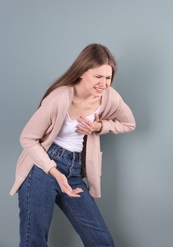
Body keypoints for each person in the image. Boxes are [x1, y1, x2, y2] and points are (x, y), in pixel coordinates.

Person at [10, 43, 136, 247]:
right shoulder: (59, 98)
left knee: (102, 241)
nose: (104, 84)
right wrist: (55, 172)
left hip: (74, 171)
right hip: (43, 167)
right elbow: (27, 138)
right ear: (82, 72)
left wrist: (98, 126)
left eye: (108, 77)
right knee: (34, 241)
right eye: (98, 76)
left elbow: (129, 123)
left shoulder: (109, 97)